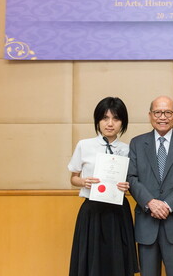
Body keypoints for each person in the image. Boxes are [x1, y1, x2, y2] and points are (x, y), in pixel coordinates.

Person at [127, 96, 173, 276]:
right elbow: (131, 177)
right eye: (158, 112)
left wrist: (167, 205)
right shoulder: (137, 143)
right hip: (146, 223)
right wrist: (150, 202)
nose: (163, 117)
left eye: (168, 112)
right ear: (150, 115)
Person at [67, 97, 139, 276]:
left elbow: (134, 182)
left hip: (118, 211)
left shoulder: (128, 149)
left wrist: (127, 186)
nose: (110, 124)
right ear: (97, 121)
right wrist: (84, 181)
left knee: (117, 261)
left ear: (123, 122)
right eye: (105, 118)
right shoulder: (84, 145)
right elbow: (73, 178)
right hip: (92, 211)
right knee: (92, 262)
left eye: (116, 119)